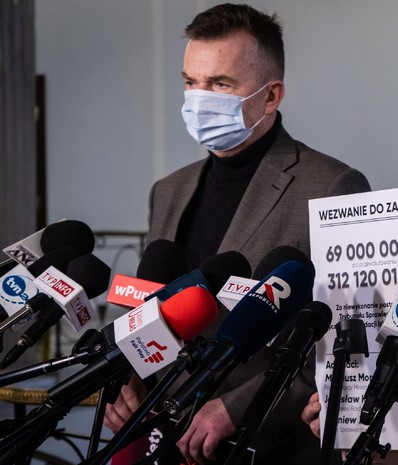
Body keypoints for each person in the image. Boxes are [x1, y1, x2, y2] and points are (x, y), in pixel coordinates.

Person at [104, 4, 370, 464]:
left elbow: (349, 340)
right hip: (164, 436)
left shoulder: (333, 186)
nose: (199, 99)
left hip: (270, 447)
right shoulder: (167, 191)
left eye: (220, 84)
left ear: (271, 96)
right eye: (191, 82)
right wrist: (126, 375)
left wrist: (238, 406)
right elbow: (150, 305)